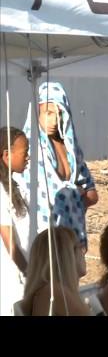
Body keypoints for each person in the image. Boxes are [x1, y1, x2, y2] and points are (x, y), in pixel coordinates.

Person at [15, 81, 98, 248]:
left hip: (73, 237)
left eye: (60, 114)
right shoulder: (31, 148)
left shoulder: (71, 148)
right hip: (44, 236)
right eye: (48, 113)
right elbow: (44, 196)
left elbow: (92, 194)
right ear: (37, 111)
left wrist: (72, 203)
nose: (54, 120)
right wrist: (75, 193)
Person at [21, 227, 91, 316]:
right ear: (66, 255)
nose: (84, 252)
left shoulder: (52, 292)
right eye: (80, 247)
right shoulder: (53, 293)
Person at [1, 127, 30, 315]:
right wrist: (31, 273)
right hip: (11, 282)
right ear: (6, 155)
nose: (28, 157)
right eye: (24, 152)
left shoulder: (16, 186)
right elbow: (10, 243)